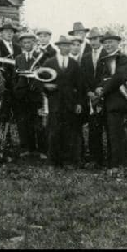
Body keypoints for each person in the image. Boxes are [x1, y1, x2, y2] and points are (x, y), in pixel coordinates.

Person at [93, 31, 127, 170]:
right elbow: (100, 78)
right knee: (111, 132)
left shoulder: (123, 58)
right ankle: (115, 162)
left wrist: (103, 89)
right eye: (105, 43)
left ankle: (119, 164)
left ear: (117, 43)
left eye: (110, 42)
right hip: (106, 101)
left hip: (118, 100)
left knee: (116, 132)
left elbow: (119, 77)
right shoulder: (103, 59)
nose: (107, 45)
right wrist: (98, 87)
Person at [42, 36, 82, 168]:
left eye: (68, 46)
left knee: (69, 131)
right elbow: (39, 79)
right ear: (58, 47)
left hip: (70, 102)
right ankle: (52, 161)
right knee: (54, 131)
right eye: (63, 45)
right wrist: (46, 86)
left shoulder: (74, 63)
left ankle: (67, 161)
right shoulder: (49, 62)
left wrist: (78, 103)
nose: (66, 48)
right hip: (54, 102)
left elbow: (80, 84)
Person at [13, 31, 46, 158]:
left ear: (34, 43)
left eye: (29, 42)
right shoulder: (18, 58)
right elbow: (15, 76)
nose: (27, 45)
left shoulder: (40, 57)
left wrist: (38, 85)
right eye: (24, 43)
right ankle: (27, 148)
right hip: (22, 96)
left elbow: (44, 75)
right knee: (23, 122)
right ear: (21, 44)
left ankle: (42, 149)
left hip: (36, 95)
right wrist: (17, 88)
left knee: (38, 123)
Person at [81, 28, 108, 167]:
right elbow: (83, 77)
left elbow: (109, 75)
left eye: (95, 39)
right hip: (91, 97)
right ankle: (95, 159)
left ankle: (111, 158)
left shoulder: (107, 54)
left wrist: (101, 89)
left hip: (106, 95)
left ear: (101, 40)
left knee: (109, 127)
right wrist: (88, 92)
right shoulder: (85, 57)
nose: (93, 42)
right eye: (91, 39)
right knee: (94, 128)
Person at [0, 22, 22, 130]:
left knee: (17, 113)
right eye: (6, 31)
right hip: (3, 85)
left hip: (16, 85)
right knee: (3, 113)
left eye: (11, 32)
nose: (9, 33)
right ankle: (3, 137)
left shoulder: (18, 48)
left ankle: (16, 136)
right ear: (1, 33)